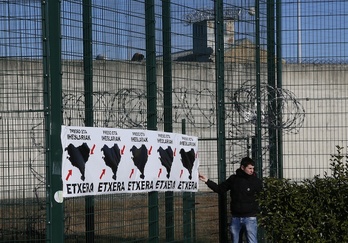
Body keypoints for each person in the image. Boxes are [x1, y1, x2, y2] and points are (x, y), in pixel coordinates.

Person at [199, 157, 262, 243]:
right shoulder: (233, 179)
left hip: (250, 217)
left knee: (252, 241)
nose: (252, 171)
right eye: (250, 168)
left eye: (253, 168)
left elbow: (262, 196)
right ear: (242, 167)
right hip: (236, 217)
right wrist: (207, 181)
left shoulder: (256, 181)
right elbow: (220, 189)